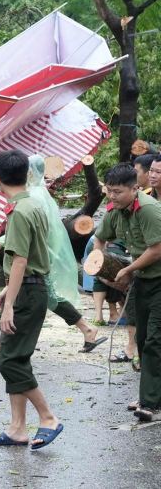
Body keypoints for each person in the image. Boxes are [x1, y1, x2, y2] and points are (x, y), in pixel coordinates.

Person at [0, 155, 105, 354]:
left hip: (35, 256)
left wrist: (1, 243)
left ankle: (87, 328)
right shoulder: (37, 193)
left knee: (46, 296)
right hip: (41, 253)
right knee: (43, 295)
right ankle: (1, 338)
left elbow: (25, 232)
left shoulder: (32, 196)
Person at [0, 150, 62, 449]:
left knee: (11, 361)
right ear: (27, 174)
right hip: (32, 286)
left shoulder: (18, 211)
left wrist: (10, 304)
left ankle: (48, 417)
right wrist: (8, 291)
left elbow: (19, 261)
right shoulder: (33, 203)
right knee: (17, 357)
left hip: (28, 292)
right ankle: (17, 428)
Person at [94, 163, 161, 421]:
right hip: (143, 282)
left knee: (155, 340)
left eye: (118, 192)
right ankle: (154, 394)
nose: (111, 197)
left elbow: (156, 250)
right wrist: (104, 266)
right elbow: (99, 238)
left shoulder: (149, 210)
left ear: (135, 188)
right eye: (109, 191)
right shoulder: (115, 210)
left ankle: (149, 402)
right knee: (143, 340)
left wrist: (127, 269)